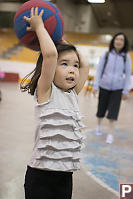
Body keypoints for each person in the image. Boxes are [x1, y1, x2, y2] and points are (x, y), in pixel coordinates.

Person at [20, 7, 89, 199]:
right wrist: (40, 26)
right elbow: (50, 55)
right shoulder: (46, 91)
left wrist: (63, 41)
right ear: (49, 68)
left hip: (65, 178)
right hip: (41, 176)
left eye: (74, 66)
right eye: (64, 64)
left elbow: (86, 64)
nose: (72, 70)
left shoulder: (73, 94)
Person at [92, 32, 132, 144]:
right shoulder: (106, 55)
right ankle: (98, 126)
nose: (119, 41)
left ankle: (110, 134)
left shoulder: (126, 57)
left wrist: (125, 90)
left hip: (117, 89)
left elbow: (128, 75)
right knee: (101, 109)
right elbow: (99, 71)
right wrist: (95, 86)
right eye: (117, 39)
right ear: (113, 41)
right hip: (104, 87)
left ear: (124, 43)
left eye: (121, 40)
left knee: (113, 113)